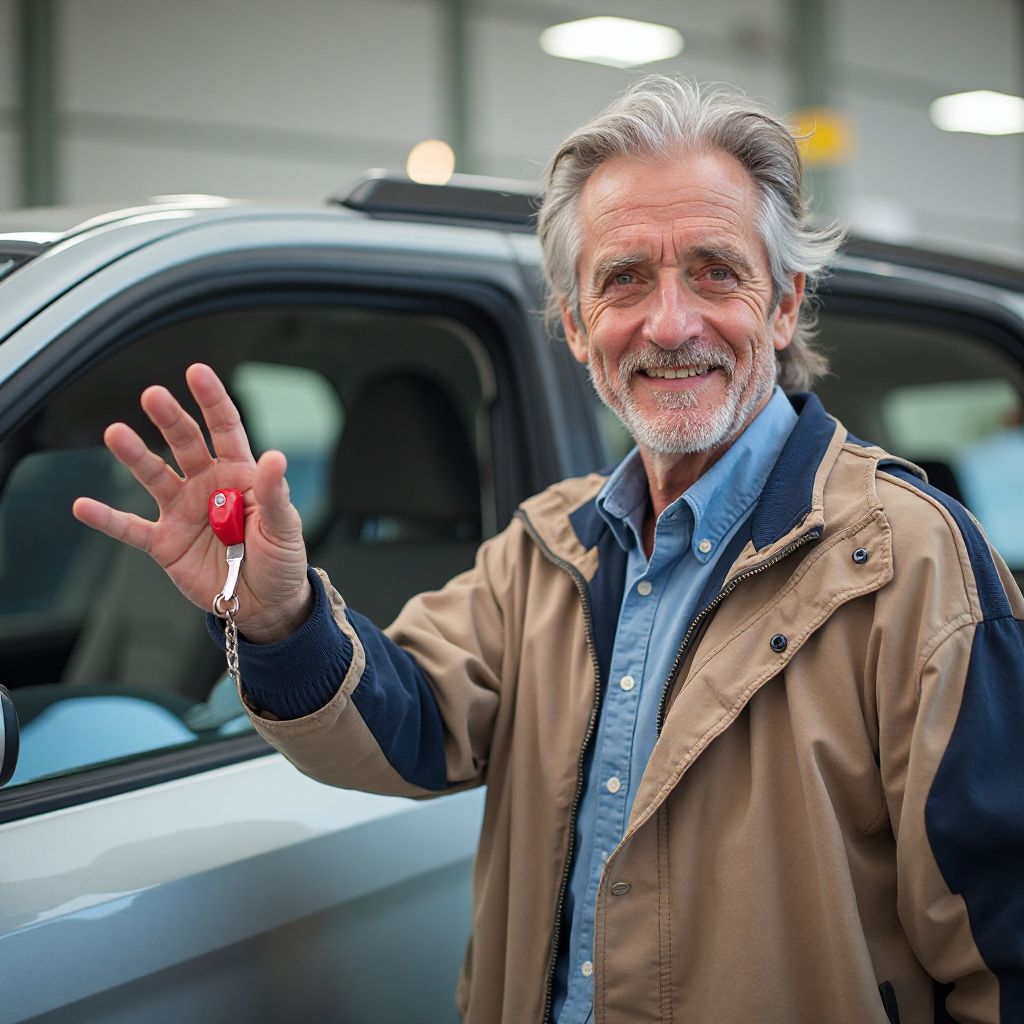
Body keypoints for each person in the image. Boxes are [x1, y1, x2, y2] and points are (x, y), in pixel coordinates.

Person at [73, 77, 1024, 1024]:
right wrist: (275, 613)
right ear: (575, 324)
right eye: (624, 280)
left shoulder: (912, 565)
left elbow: (1002, 955)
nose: (670, 323)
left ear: (783, 307)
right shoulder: (548, 547)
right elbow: (407, 725)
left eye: (715, 271)